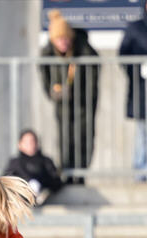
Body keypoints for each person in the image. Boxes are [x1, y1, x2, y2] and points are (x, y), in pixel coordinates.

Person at [40, 10, 99, 185]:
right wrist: (53, 92)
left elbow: (92, 79)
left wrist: (80, 95)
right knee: (65, 138)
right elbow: (45, 78)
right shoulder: (48, 53)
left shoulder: (84, 50)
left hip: (83, 103)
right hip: (63, 104)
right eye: (59, 40)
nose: (63, 43)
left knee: (84, 137)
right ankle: (66, 172)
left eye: (65, 39)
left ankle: (80, 173)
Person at [119, 0, 147, 180]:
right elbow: (123, 56)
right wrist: (139, 70)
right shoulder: (136, 28)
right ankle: (141, 173)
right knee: (143, 133)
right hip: (142, 91)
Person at [2, 129, 63, 205]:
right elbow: (6, 179)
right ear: (20, 144)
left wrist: (41, 183)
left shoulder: (46, 161)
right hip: (21, 198)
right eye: (27, 142)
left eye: (33, 141)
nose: (30, 144)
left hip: (42, 197)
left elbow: (56, 180)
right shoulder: (15, 162)